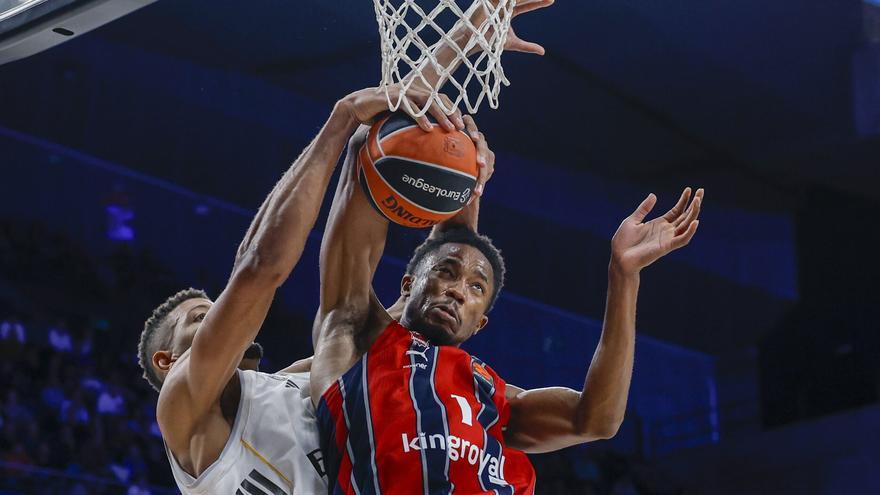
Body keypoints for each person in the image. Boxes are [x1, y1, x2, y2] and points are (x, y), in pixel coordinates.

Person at [310, 116, 705, 492]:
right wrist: (434, 144)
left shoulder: (491, 394)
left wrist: (624, 277)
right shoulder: (358, 335)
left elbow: (596, 419)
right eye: (445, 272)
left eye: (477, 288)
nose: (458, 291)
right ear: (409, 285)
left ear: (480, 323)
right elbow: (364, 190)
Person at [135, 83, 471, 494]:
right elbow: (259, 267)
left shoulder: (295, 385)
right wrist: (342, 118)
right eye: (202, 318)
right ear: (167, 361)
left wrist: (458, 45)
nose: (221, 315)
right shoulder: (183, 413)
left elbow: (414, 311)